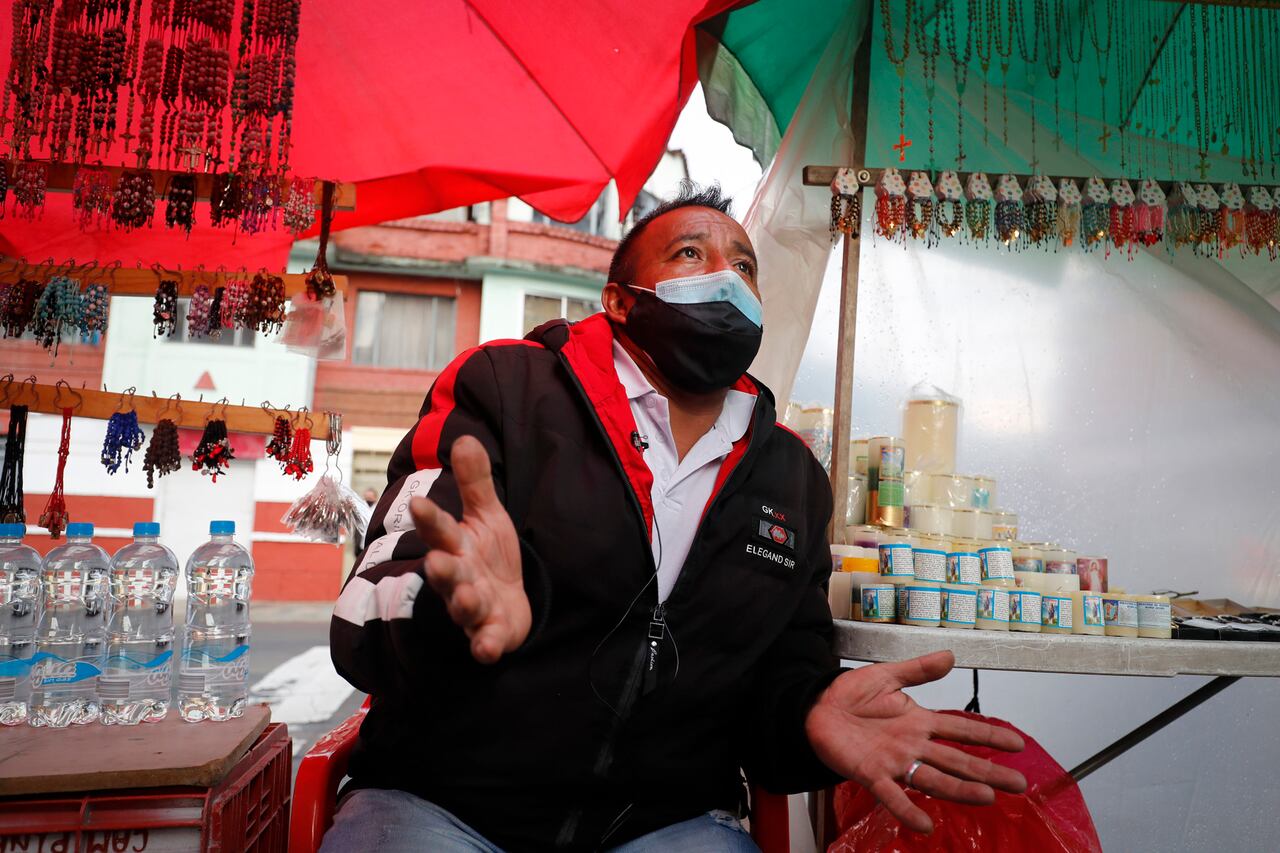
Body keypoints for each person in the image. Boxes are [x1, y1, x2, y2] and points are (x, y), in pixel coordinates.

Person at [323, 184, 1026, 852]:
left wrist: (809, 715)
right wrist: (454, 609)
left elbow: (783, 675)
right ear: (620, 301)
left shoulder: (792, 478)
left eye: (744, 265)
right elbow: (366, 614)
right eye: (691, 253)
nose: (725, 274)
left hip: (667, 823)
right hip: (442, 804)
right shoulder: (506, 387)